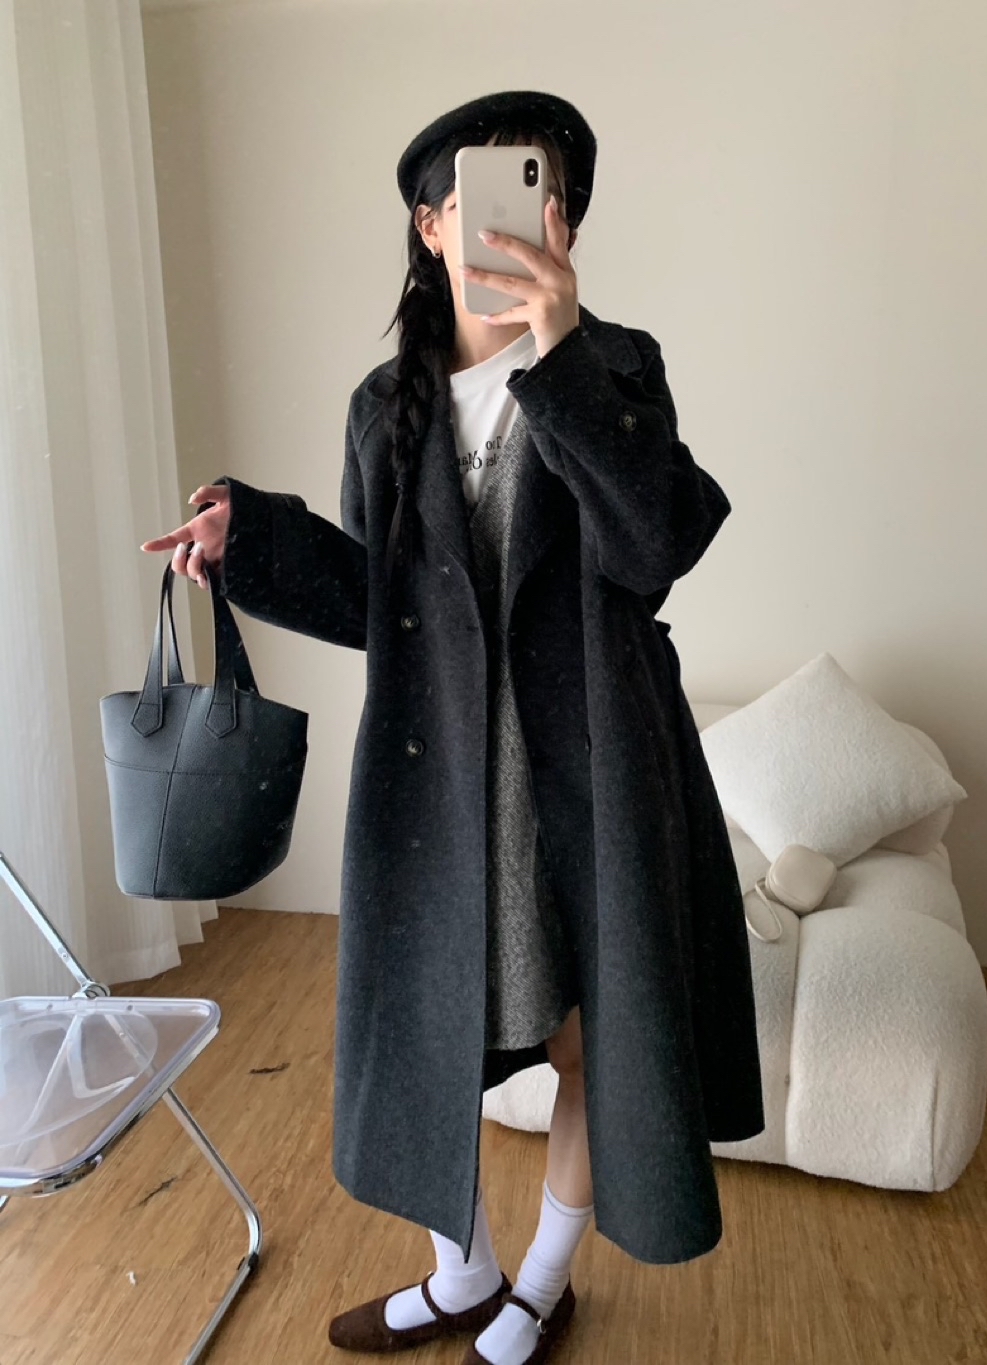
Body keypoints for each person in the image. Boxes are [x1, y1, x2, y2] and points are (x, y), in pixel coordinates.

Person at [141, 90, 765, 1365]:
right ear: (431, 227)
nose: (526, 220)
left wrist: (560, 354)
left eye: (549, 197)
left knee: (590, 1036)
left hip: (592, 765)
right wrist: (251, 538)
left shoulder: (616, 366)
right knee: (431, 1028)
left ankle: (540, 1282)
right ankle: (462, 1272)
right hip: (440, 774)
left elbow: (652, 546)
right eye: (486, 197)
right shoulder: (386, 406)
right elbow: (379, 600)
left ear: (565, 225)